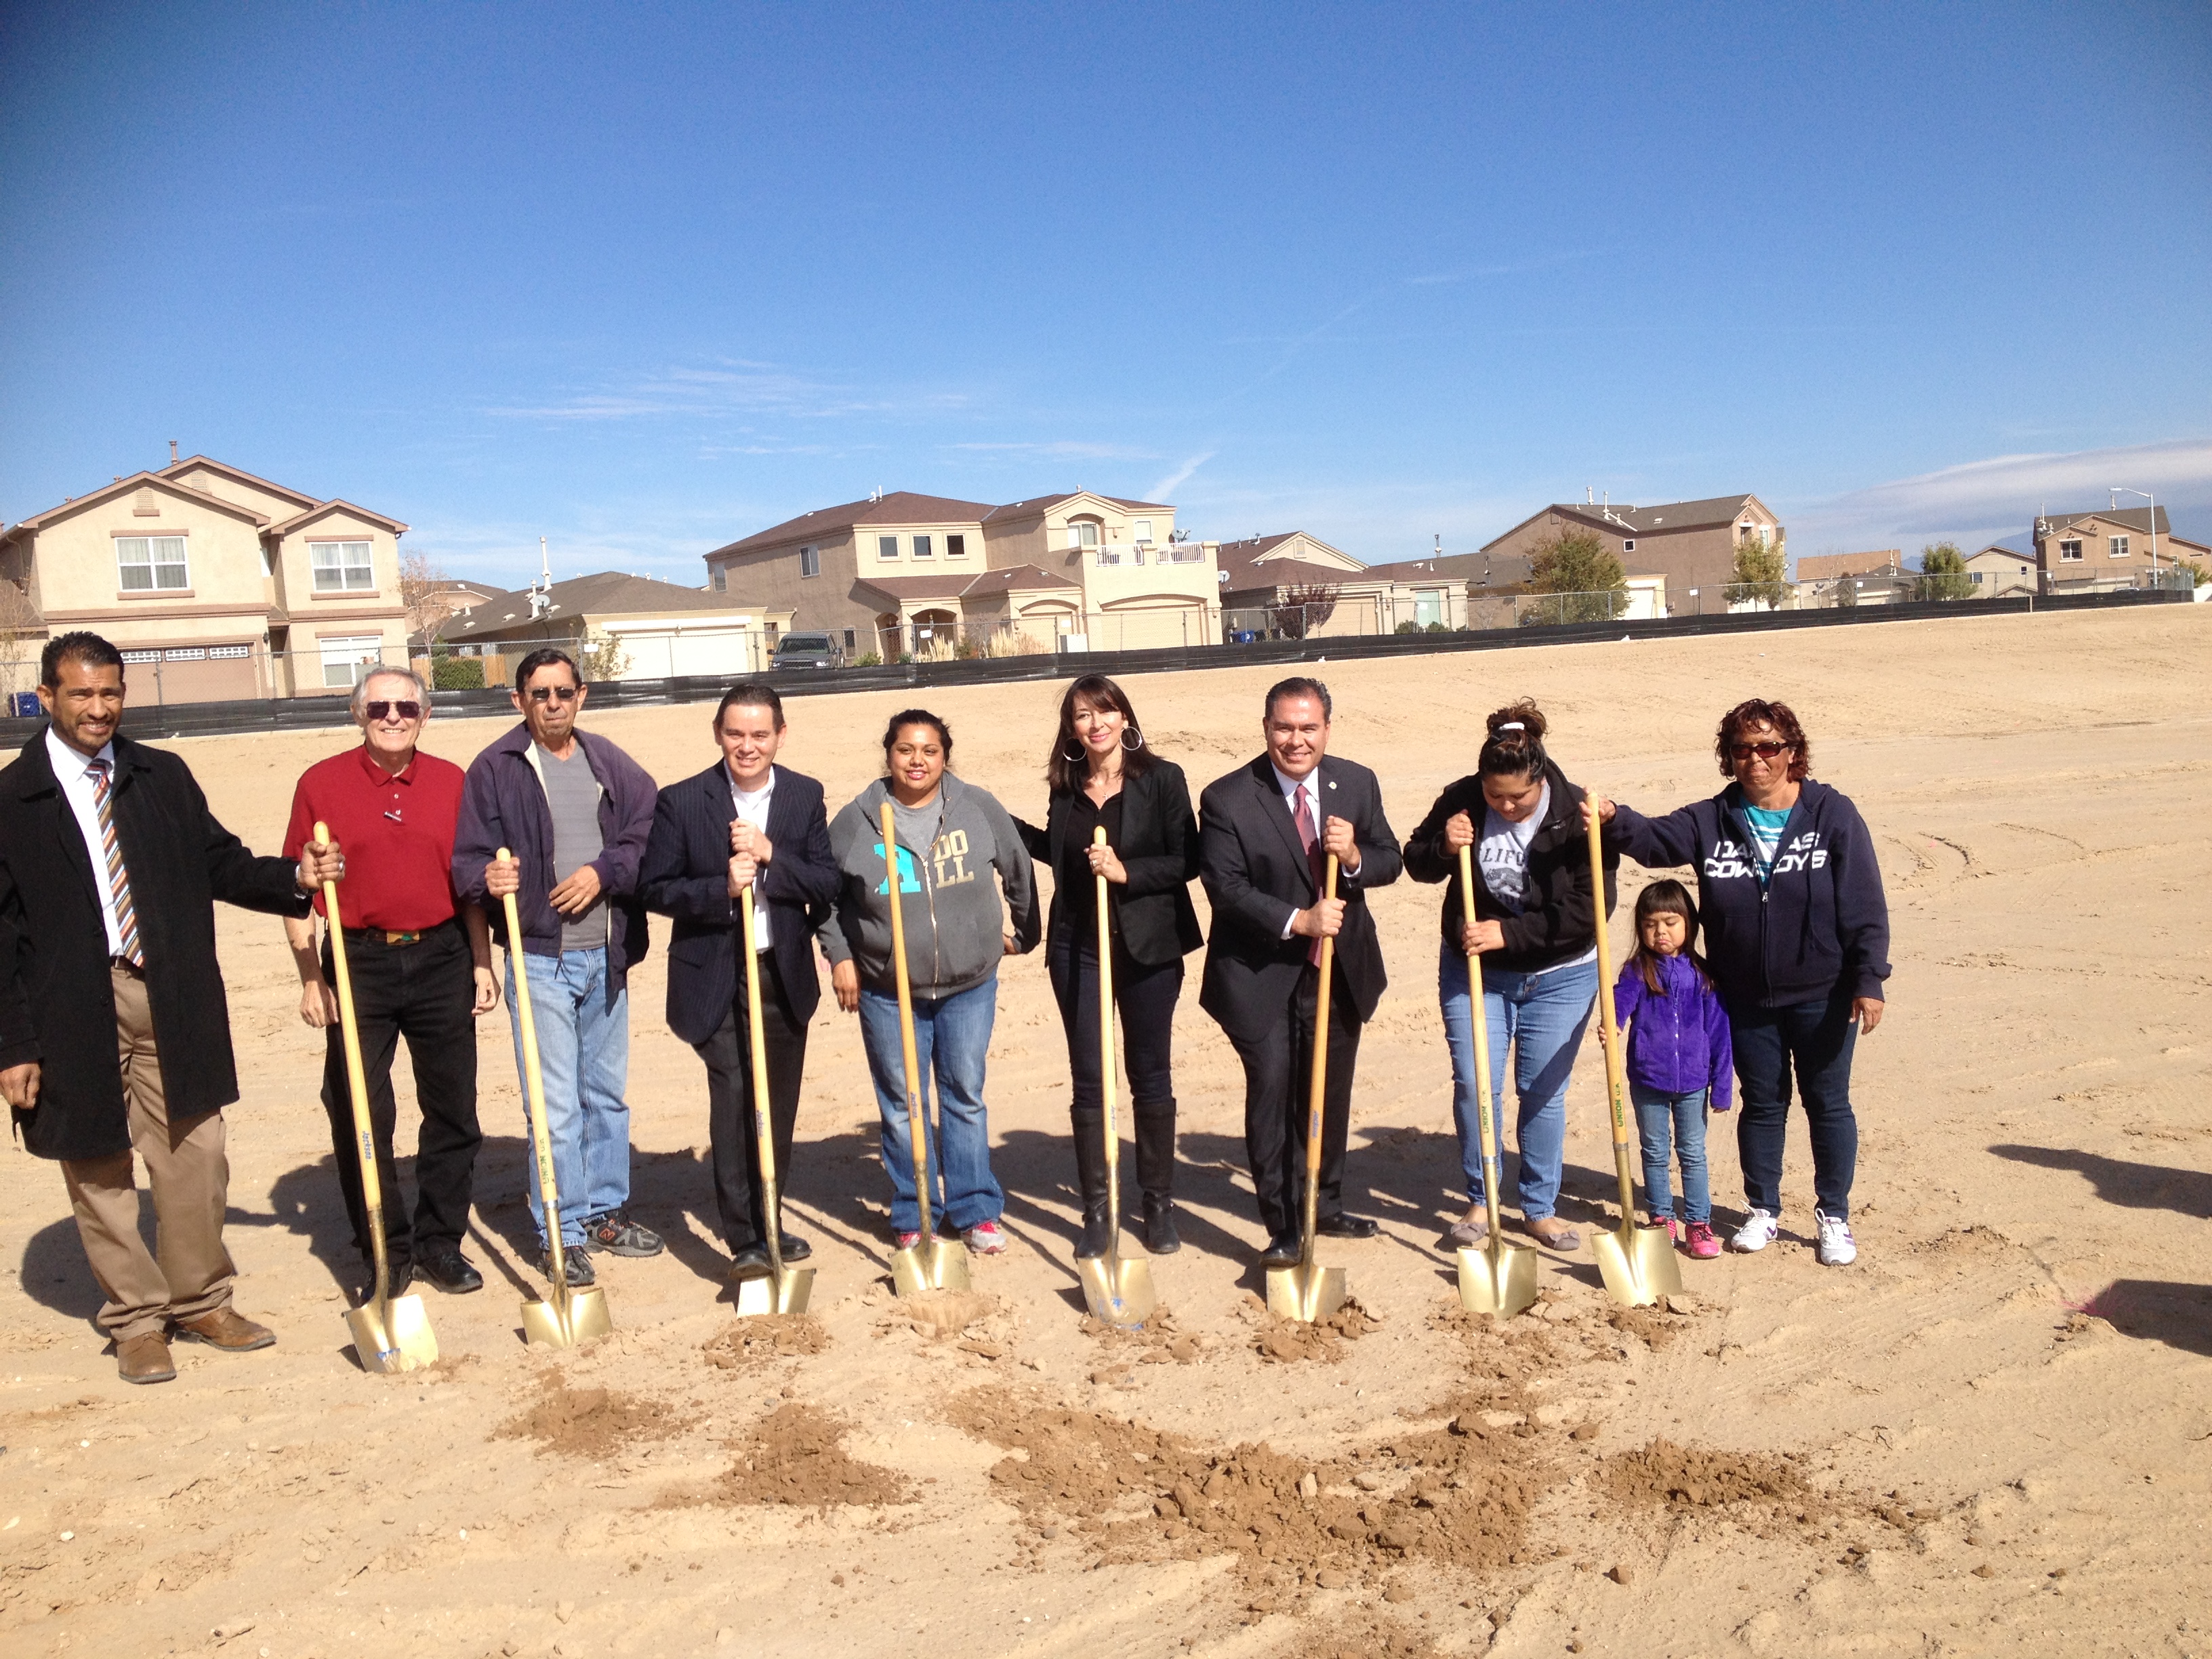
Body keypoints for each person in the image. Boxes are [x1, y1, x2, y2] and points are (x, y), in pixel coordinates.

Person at [0, 632, 339, 1384]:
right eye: (81, 694)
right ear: (47, 697)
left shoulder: (162, 775)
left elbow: (219, 862)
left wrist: (296, 877)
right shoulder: (10, 800)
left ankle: (199, 1300)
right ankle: (137, 1322)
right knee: (97, 1163)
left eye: (110, 692)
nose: (99, 707)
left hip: (172, 993)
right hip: (70, 1007)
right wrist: (12, 1043)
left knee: (198, 1152)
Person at [1589, 697, 1889, 1266]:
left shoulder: (1833, 814)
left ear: (1793, 752)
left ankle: (1834, 1216)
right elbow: (1655, 841)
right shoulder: (1712, 819)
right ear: (1729, 757)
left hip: (1824, 993)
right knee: (1764, 1103)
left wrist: (1869, 977)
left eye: (1769, 747)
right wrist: (1613, 818)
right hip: (1746, 997)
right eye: (1743, 749)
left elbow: (1864, 902)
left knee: (1827, 1103)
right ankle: (1763, 1209)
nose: (1756, 759)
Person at [282, 667, 499, 1298]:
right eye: (380, 707)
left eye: (407, 706)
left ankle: (440, 1242)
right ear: (358, 714)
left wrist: (482, 963)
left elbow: (470, 888)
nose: (394, 716)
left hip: (442, 956)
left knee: (454, 1111)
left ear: (425, 715)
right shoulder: (321, 784)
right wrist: (309, 977)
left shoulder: (452, 782)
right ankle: (384, 1245)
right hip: (357, 962)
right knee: (357, 1109)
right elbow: (297, 889)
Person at [452, 648, 659, 1285]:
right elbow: (466, 863)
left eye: (562, 692)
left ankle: (603, 1211)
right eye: (538, 694)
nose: (552, 704)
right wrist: (489, 876)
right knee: (557, 1105)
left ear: (581, 695)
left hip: (608, 956)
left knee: (606, 1096)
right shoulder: (495, 767)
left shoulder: (608, 762)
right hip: (539, 959)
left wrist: (604, 872)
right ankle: (561, 1229)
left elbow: (648, 828)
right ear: (518, 701)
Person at [819, 710, 1040, 1257]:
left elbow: (1018, 869)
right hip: (886, 991)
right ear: (888, 754)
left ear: (945, 756)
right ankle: (915, 1209)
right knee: (903, 1103)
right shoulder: (857, 820)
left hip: (969, 986)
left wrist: (1024, 934)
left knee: (963, 1096)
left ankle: (974, 1209)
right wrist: (841, 956)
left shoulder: (977, 807)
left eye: (929, 751)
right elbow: (821, 897)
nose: (917, 761)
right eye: (905, 750)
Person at [1198, 676, 1400, 1268]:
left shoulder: (1356, 783)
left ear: (1327, 730)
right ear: (1266, 729)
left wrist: (1357, 857)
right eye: (1284, 727)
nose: (1296, 740)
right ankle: (1283, 1222)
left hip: (1339, 970)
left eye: (1308, 728)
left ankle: (1325, 1201)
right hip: (1260, 973)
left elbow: (1391, 860)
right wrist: (1299, 921)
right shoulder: (1227, 797)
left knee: (1329, 1090)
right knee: (1275, 1093)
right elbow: (1225, 888)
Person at [640, 683, 838, 1280]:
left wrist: (773, 855)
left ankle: (771, 1216)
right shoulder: (682, 800)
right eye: (735, 734)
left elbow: (827, 884)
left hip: (781, 972)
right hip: (715, 977)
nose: (746, 746)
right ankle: (744, 1235)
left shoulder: (804, 796)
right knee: (733, 1096)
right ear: (718, 734)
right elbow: (654, 887)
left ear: (780, 735)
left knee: (775, 1103)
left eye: (759, 734)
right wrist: (719, 889)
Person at [1401, 700, 1614, 1252]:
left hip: (1563, 975)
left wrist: (1508, 934)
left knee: (1542, 1092)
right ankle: (1482, 1199)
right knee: (1476, 1084)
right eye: (1496, 796)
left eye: (1517, 797)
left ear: (1538, 778)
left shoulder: (1577, 812)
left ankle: (1539, 1208)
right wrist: (1444, 845)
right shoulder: (1463, 798)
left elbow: (1591, 910)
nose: (1506, 805)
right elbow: (1417, 862)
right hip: (1475, 971)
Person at [1016, 674, 1203, 1257]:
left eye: (1105, 712)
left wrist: (1128, 872)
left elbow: (1189, 860)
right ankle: (1098, 1209)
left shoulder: (1163, 779)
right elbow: (1057, 850)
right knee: (1091, 1078)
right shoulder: (1066, 786)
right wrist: (1001, 826)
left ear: (1125, 718)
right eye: (1081, 716)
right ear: (1070, 729)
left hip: (1148, 948)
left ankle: (1157, 1204)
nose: (1094, 724)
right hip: (1079, 946)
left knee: (1150, 1075)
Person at [1612, 879, 1732, 1258]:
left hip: (1694, 1082)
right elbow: (1621, 1000)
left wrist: (1722, 1086)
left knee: (1693, 1151)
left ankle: (1698, 1222)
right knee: (1654, 1150)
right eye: (1650, 924)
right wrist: (1612, 1021)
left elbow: (1719, 1033)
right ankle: (1661, 1218)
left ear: (1688, 925)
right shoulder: (1637, 970)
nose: (1660, 931)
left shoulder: (1704, 974)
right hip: (1649, 1079)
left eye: (1670, 922)